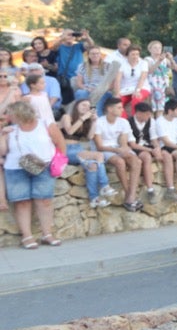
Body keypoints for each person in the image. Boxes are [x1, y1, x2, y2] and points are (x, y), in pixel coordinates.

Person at [1, 101, 64, 248]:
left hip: (44, 166)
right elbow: (2, 152)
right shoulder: (11, 129)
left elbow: (60, 143)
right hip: (15, 168)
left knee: (45, 201)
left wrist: (60, 164)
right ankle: (27, 237)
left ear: (19, 113)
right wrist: (2, 136)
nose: (8, 116)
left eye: (10, 113)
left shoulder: (45, 124)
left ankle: (47, 234)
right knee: (22, 202)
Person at [59, 98, 114, 208]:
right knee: (99, 155)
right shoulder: (67, 117)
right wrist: (83, 118)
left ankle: (94, 198)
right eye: (83, 105)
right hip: (66, 149)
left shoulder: (85, 122)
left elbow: (89, 137)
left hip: (78, 148)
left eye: (88, 106)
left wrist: (94, 121)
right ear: (76, 106)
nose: (86, 108)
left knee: (93, 165)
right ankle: (104, 185)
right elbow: (70, 131)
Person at [93, 97, 144, 211]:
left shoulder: (123, 122)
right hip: (105, 150)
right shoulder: (99, 122)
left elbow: (123, 143)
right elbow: (99, 146)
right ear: (110, 109)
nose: (122, 110)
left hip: (118, 148)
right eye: (119, 107)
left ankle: (131, 196)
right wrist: (118, 150)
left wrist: (123, 149)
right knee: (120, 162)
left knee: (136, 161)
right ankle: (129, 195)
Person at [114, 46, 149, 117]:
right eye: (133, 54)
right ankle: (125, 121)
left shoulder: (143, 63)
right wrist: (117, 93)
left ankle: (134, 120)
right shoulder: (122, 63)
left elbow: (142, 78)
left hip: (141, 87)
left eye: (137, 54)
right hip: (125, 89)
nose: (135, 56)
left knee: (136, 99)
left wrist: (137, 90)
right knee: (117, 103)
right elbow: (117, 80)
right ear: (127, 55)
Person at [145, 41, 173, 116]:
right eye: (155, 48)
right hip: (152, 86)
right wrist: (159, 61)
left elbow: (173, 68)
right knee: (151, 108)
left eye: (159, 48)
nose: (157, 49)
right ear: (150, 49)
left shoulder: (165, 60)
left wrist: (171, 59)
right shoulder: (147, 60)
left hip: (163, 87)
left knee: (161, 108)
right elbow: (149, 71)